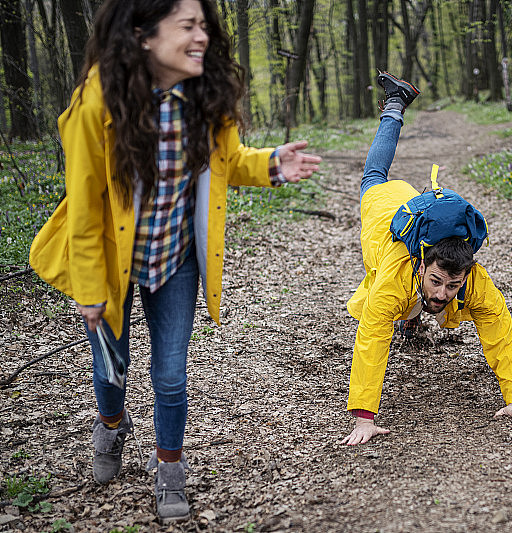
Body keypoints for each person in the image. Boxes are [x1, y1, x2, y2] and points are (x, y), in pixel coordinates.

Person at [28, 0, 321, 522]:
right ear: (144, 36)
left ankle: (169, 467)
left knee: (170, 376)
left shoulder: (206, 96)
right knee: (109, 369)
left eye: (203, 26)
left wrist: (272, 164)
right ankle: (112, 425)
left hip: (175, 258)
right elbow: (85, 209)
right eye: (186, 26)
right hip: (111, 262)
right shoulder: (95, 103)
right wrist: (91, 290)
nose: (201, 36)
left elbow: (229, 162)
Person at [341, 73, 512, 446]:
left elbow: (501, 331)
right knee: (373, 176)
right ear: (421, 265)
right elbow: (370, 339)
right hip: (384, 210)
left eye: (454, 285)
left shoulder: (473, 279)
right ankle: (395, 107)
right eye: (437, 281)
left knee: (422, 302)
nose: (446, 292)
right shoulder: (394, 278)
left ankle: (413, 320)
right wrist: (364, 419)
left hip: (419, 220)